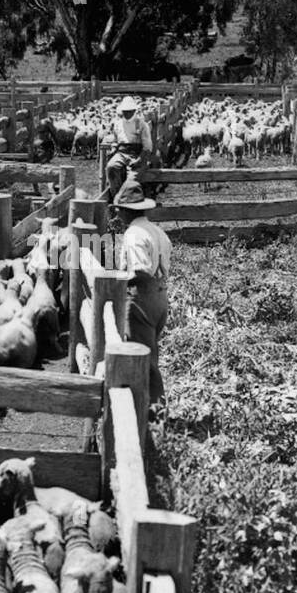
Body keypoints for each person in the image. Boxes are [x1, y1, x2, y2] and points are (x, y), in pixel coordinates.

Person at [112, 177, 172, 416]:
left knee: (143, 357)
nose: (118, 216)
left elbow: (140, 270)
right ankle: (148, 406)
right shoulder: (157, 231)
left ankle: (153, 411)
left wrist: (116, 283)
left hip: (141, 297)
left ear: (126, 211)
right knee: (150, 352)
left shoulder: (134, 233)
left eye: (119, 211)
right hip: (160, 296)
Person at [104, 95, 152, 204]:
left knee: (131, 179)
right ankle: (117, 198)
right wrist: (113, 147)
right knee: (111, 167)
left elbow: (147, 146)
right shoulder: (118, 123)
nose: (127, 113)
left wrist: (140, 159)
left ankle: (126, 201)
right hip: (122, 153)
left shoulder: (141, 124)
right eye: (125, 111)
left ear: (134, 110)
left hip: (137, 153)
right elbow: (116, 139)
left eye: (129, 111)